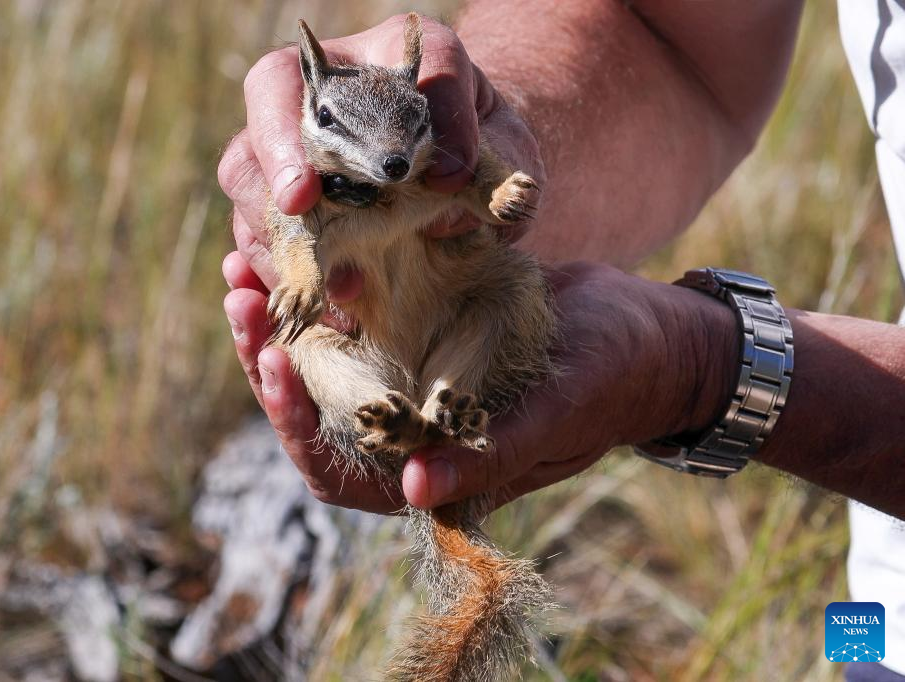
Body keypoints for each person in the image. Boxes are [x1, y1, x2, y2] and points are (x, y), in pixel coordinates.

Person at [218, 2, 905, 679]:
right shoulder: (346, 177)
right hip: (885, 619)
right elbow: (667, 37)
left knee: (503, 299)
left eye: (410, 129)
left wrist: (708, 369)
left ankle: (447, 400)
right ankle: (390, 416)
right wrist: (499, 115)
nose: (389, 163)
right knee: (314, 349)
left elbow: (483, 194)